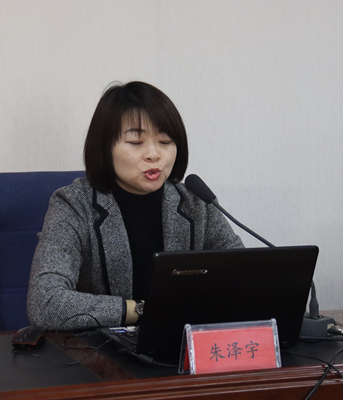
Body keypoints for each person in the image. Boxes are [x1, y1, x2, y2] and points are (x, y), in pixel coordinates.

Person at [27, 81, 243, 330]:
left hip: (182, 343)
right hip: (101, 347)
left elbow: (242, 278)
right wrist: (141, 310)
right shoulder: (74, 205)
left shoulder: (196, 203)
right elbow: (44, 303)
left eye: (165, 141)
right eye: (135, 142)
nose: (154, 154)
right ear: (105, 147)